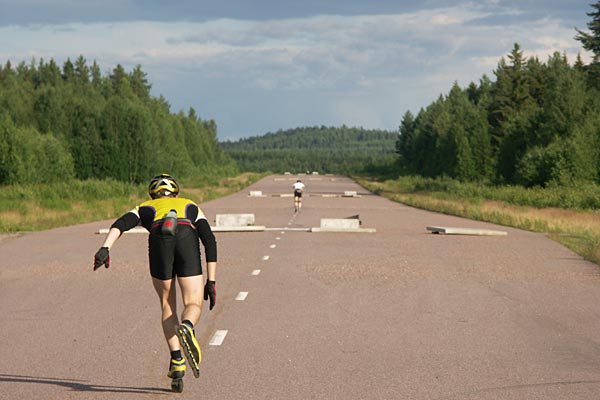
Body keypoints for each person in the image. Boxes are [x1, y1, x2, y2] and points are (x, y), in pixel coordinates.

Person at [93, 173, 217, 381]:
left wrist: (105, 248)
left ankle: (177, 360)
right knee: (193, 303)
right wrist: (211, 281)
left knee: (167, 304)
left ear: (153, 195)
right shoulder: (190, 205)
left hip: (159, 237)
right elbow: (209, 240)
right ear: (175, 193)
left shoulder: (144, 207)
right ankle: (187, 327)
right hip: (186, 233)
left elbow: (120, 224)